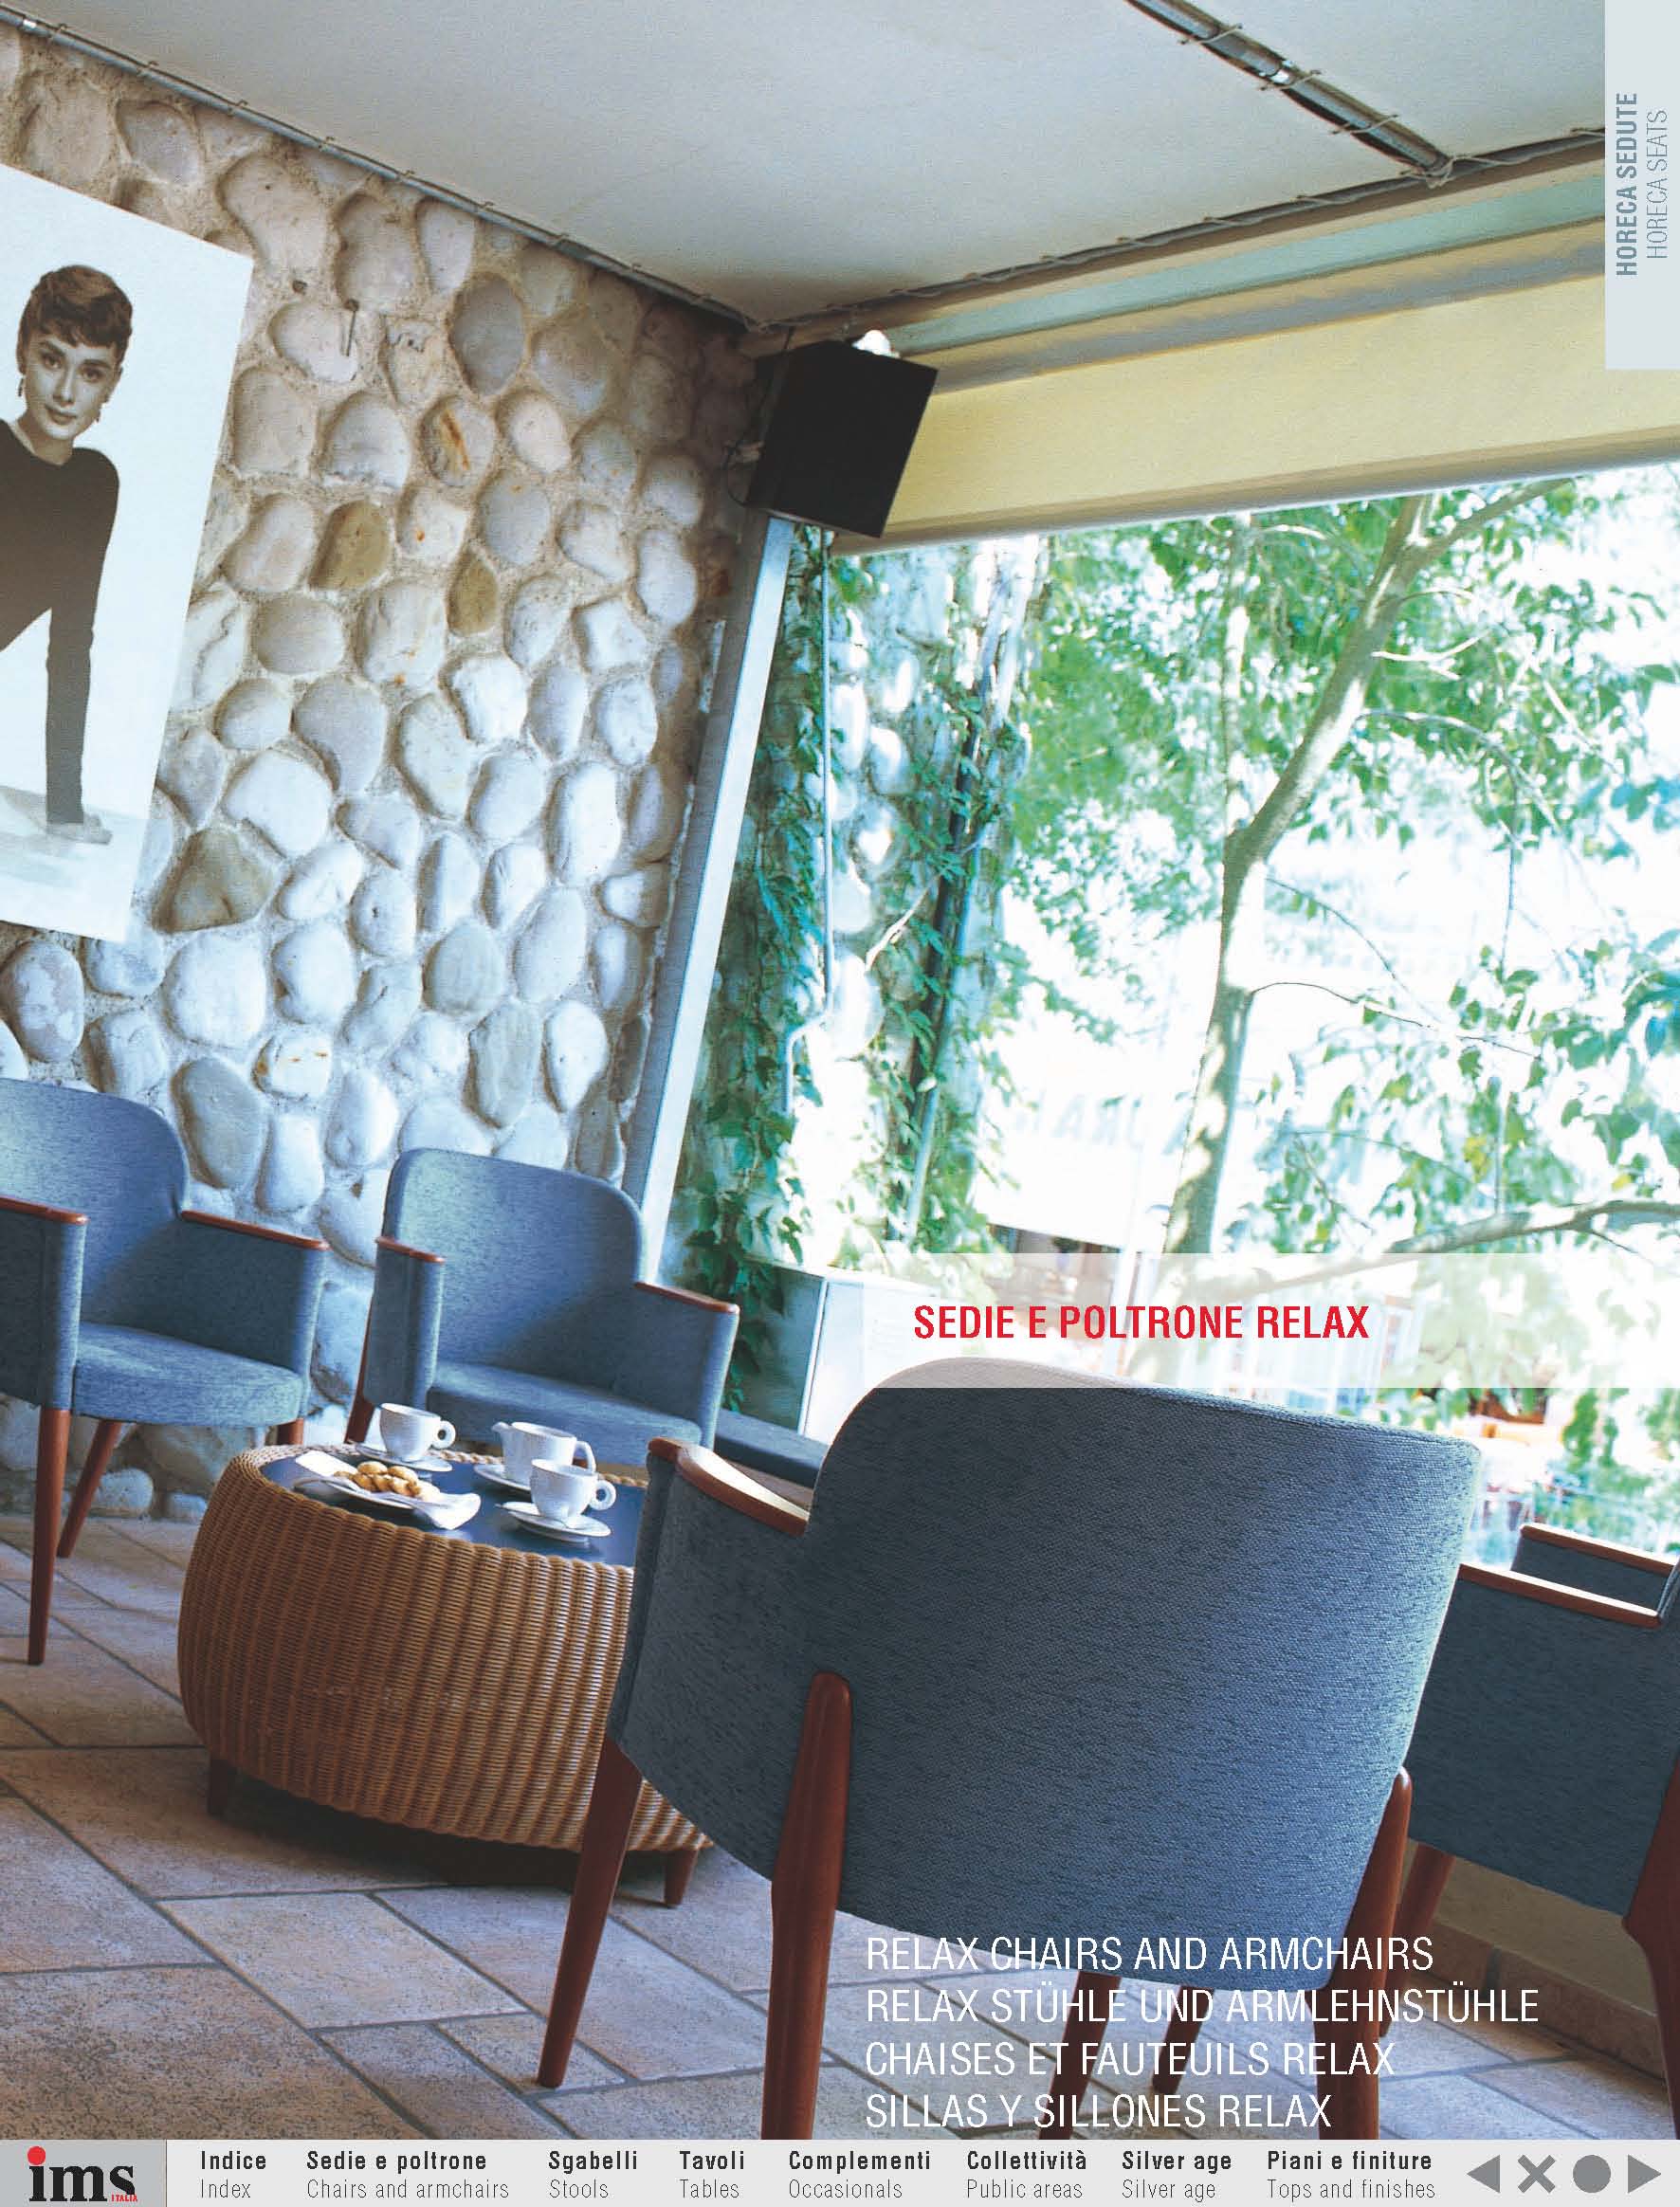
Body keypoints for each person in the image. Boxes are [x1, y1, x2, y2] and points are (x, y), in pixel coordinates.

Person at [0, 264, 133, 847]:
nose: (66, 392)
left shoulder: (94, 484)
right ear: (21, 353)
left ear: (112, 384)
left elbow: (72, 645)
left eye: (91, 372)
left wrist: (64, 808)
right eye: (52, 360)